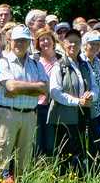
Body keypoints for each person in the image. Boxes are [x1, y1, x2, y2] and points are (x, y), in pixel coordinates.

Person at [0, 25, 48, 182]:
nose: (21, 44)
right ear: (10, 41)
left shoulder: (36, 64)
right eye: (17, 40)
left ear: (29, 42)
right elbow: (11, 86)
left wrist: (19, 88)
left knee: (23, 161)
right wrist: (34, 87)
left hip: (30, 115)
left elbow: (45, 89)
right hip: (7, 115)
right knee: (0, 159)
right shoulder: (3, 62)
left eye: (24, 40)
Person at [48, 29, 93, 173]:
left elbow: (95, 88)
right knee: (65, 155)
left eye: (76, 42)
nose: (73, 45)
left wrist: (91, 96)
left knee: (80, 153)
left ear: (81, 45)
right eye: (69, 42)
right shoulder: (58, 66)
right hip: (63, 118)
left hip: (82, 115)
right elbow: (55, 92)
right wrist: (78, 101)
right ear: (63, 44)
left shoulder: (85, 65)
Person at [33, 28, 61, 156]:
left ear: (53, 42)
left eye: (47, 39)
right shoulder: (34, 60)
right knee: (37, 141)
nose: (45, 42)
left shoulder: (61, 60)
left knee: (52, 141)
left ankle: (51, 169)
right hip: (37, 106)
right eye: (41, 40)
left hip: (55, 106)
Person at [80, 31, 100, 161]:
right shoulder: (80, 61)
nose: (95, 47)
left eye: (98, 44)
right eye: (92, 44)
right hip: (85, 108)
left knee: (97, 141)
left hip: (97, 109)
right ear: (85, 45)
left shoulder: (97, 61)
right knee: (89, 143)